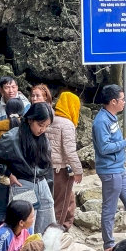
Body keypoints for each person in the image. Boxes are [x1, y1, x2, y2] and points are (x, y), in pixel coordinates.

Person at [0, 102, 56, 234]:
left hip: (42, 183)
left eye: (46, 126)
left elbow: (47, 164)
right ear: (30, 119)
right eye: (40, 125)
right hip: (23, 184)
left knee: (48, 226)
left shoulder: (42, 138)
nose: (42, 130)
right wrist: (7, 173)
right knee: (26, 227)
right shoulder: (13, 137)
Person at [91, 84, 126, 251]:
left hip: (118, 168)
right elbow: (104, 148)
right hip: (109, 170)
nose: (124, 103)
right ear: (113, 101)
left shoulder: (111, 117)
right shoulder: (101, 121)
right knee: (110, 207)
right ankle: (108, 244)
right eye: (122, 99)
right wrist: (125, 143)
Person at [48, 91, 82, 230]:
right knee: (60, 206)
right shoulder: (67, 124)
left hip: (47, 167)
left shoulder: (50, 119)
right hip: (60, 170)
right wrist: (78, 170)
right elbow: (70, 151)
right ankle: (56, 235)